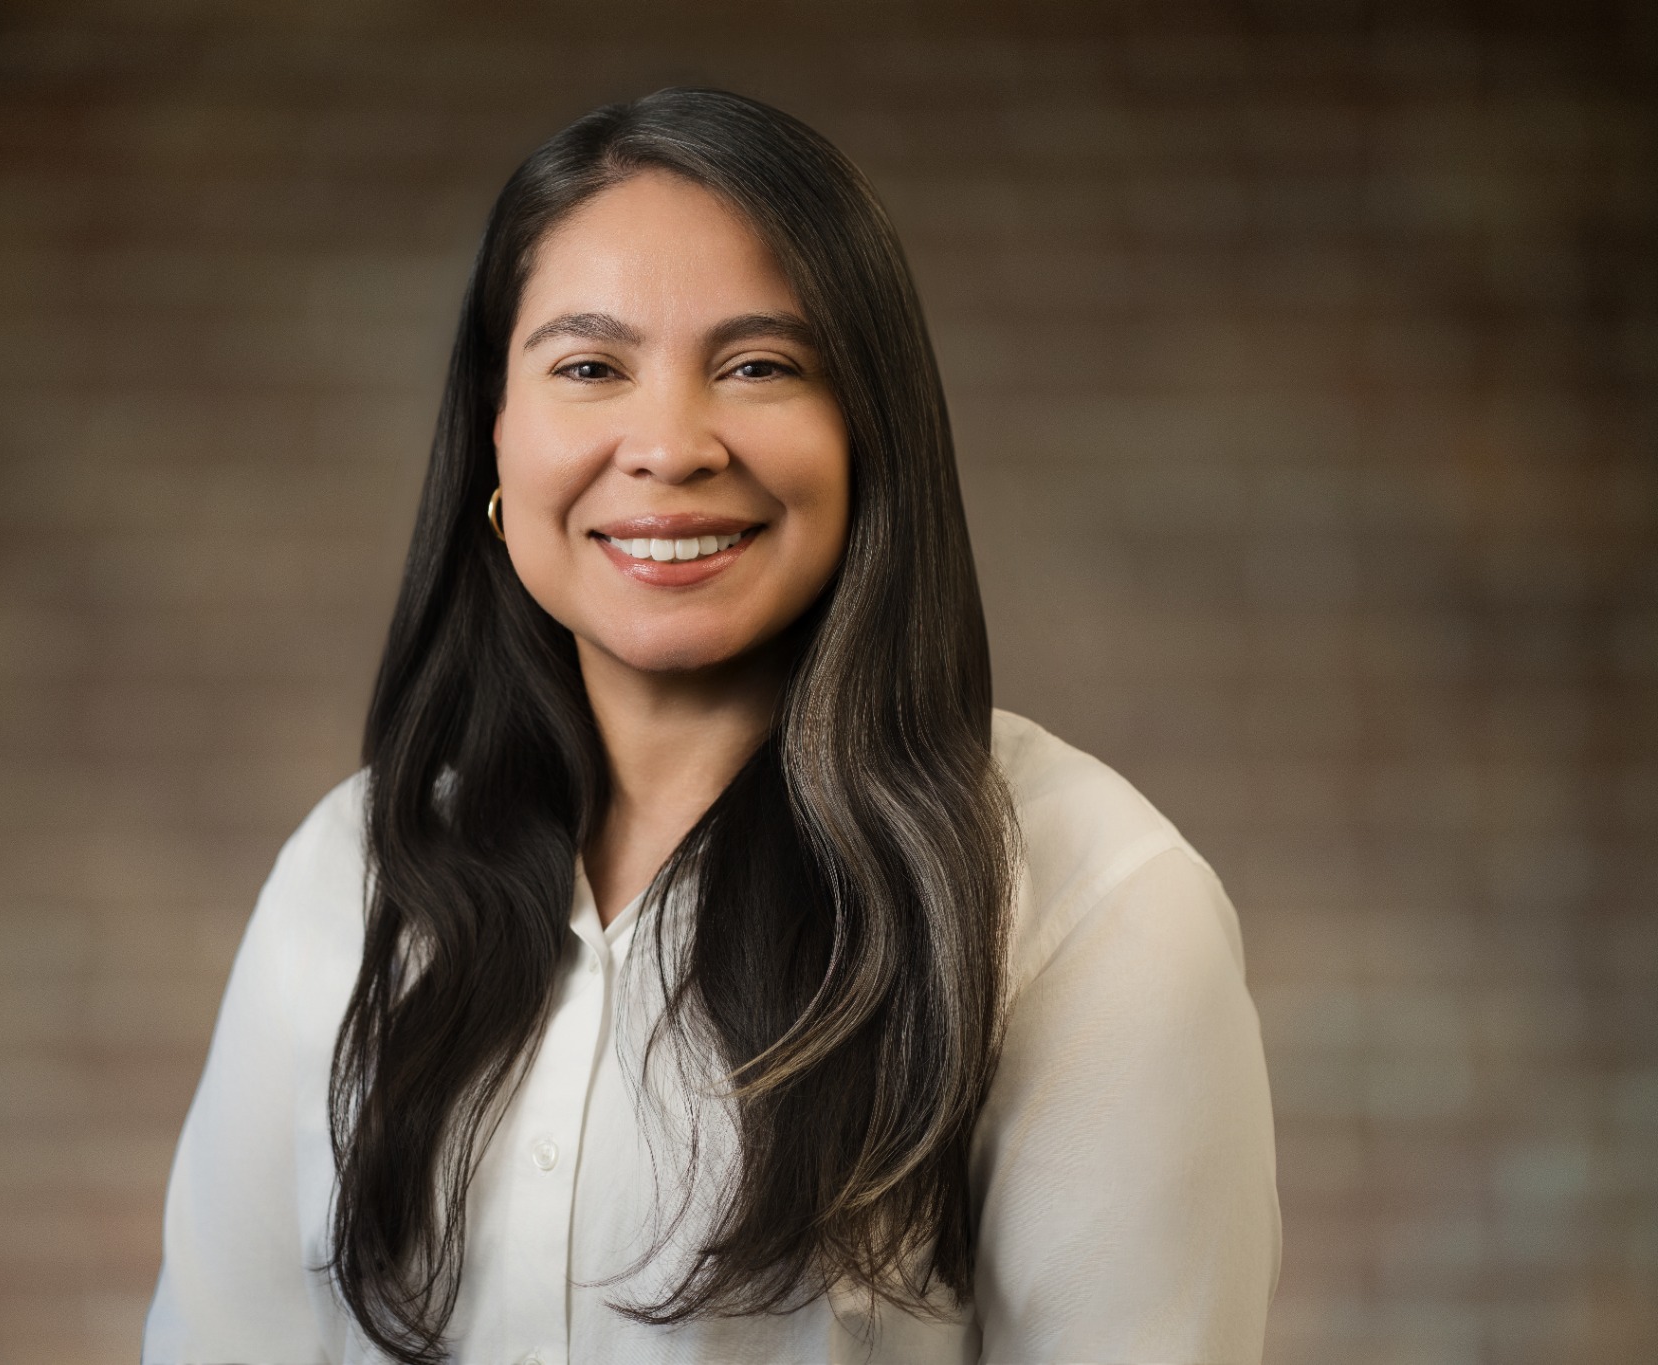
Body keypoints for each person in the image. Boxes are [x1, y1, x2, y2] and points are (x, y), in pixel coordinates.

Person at [141, 88, 1279, 1365]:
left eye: (758, 366)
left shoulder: (1083, 905)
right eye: (587, 368)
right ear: (493, 446)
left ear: (867, 435)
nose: (670, 446)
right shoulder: (350, 876)